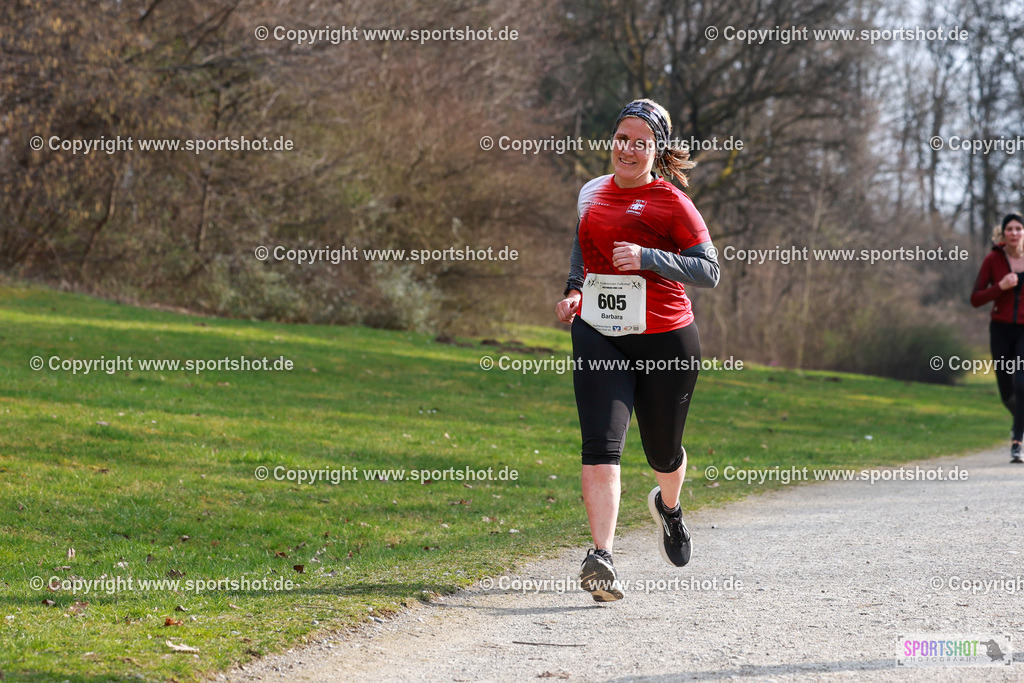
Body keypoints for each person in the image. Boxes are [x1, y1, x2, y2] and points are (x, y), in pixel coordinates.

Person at [555, 99, 720, 602]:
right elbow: (584, 246)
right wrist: (573, 290)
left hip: (665, 338)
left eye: (640, 142)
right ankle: (600, 557)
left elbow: (709, 270)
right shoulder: (591, 192)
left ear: (656, 149)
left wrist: (649, 257)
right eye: (621, 138)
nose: (628, 149)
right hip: (599, 331)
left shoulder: (672, 203)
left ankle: (668, 508)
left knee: (662, 452)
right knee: (602, 442)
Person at [972, 211, 1024, 464]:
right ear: (1003, 233)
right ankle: (1021, 421)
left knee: (1022, 384)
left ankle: (1017, 441)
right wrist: (1000, 287)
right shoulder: (993, 259)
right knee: (1006, 390)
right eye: (1010, 229)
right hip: (1001, 330)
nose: (1014, 233)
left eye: (1018, 228)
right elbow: (975, 299)